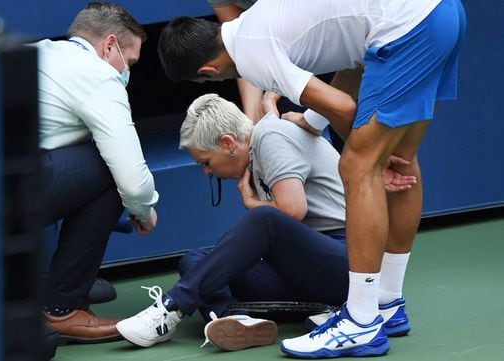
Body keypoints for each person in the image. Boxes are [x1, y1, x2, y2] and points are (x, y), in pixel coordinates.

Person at [157, 0, 466, 357]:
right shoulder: (256, 22)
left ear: (208, 71)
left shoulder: (251, 55)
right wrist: (311, 121)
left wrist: (372, 160)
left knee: (359, 165)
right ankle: (387, 304)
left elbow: (344, 107)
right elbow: (353, 66)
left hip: (410, 25)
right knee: (403, 159)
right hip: (441, 12)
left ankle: (362, 322)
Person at [115, 94, 414, 351]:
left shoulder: (269, 137)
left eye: (206, 162)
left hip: (348, 262)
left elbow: (293, 210)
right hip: (305, 272)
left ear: (228, 143)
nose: (207, 171)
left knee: (264, 218)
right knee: (195, 259)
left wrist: (252, 203)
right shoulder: (259, 143)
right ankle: (236, 321)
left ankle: (171, 308)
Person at [32, 2, 159, 343]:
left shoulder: (39, 51)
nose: (127, 71)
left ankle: (54, 285)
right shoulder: (99, 75)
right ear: (109, 45)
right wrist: (143, 210)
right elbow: (132, 180)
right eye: (129, 62)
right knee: (109, 167)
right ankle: (63, 308)